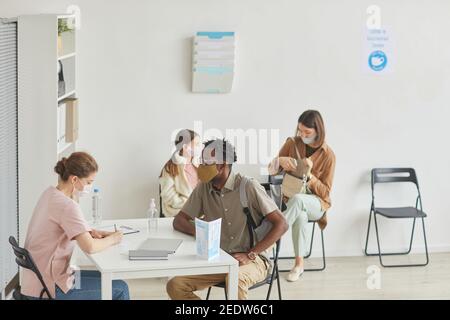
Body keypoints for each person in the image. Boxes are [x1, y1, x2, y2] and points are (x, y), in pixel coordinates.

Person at [166, 139, 288, 300]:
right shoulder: (203, 188)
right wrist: (204, 232)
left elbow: (282, 224)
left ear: (221, 165)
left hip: (252, 260)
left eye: (205, 162)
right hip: (220, 259)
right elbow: (179, 221)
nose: (200, 166)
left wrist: (251, 254)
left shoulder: (248, 187)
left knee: (235, 279)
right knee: (175, 285)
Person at [21, 152, 129, 300]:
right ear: (75, 179)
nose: (89, 187)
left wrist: (93, 232)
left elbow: (70, 228)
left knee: (109, 280)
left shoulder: (50, 194)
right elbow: (90, 247)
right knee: (120, 288)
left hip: (37, 281)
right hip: (51, 286)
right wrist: (114, 238)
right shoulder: (67, 206)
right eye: (89, 182)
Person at [268, 110, 336, 282]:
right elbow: (271, 169)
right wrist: (280, 162)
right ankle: (299, 265)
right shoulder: (292, 143)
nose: (302, 135)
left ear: (318, 131)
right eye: (300, 130)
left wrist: (311, 176)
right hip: (293, 201)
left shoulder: (328, 155)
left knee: (299, 202)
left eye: (307, 132)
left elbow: (326, 193)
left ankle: (267, 245)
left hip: (317, 204)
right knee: (300, 214)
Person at [159, 129, 202, 217]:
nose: (199, 147)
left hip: (199, 213)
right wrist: (188, 204)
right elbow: (168, 195)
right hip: (179, 214)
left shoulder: (199, 165)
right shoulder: (171, 167)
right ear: (185, 147)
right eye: (196, 144)